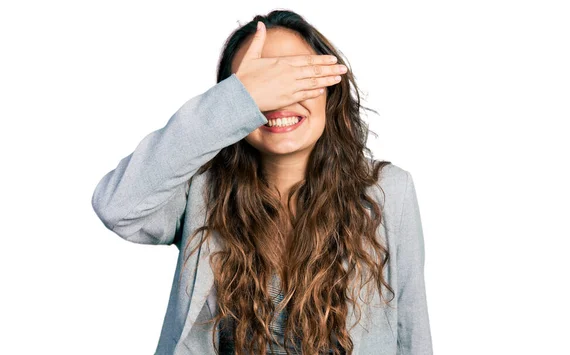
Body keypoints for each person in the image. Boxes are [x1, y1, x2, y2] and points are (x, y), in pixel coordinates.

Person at [91, 9, 433, 355]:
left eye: (294, 78)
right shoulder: (200, 190)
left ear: (331, 89)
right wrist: (238, 100)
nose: (278, 99)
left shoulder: (389, 190)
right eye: (260, 86)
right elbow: (118, 208)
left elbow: (411, 331)